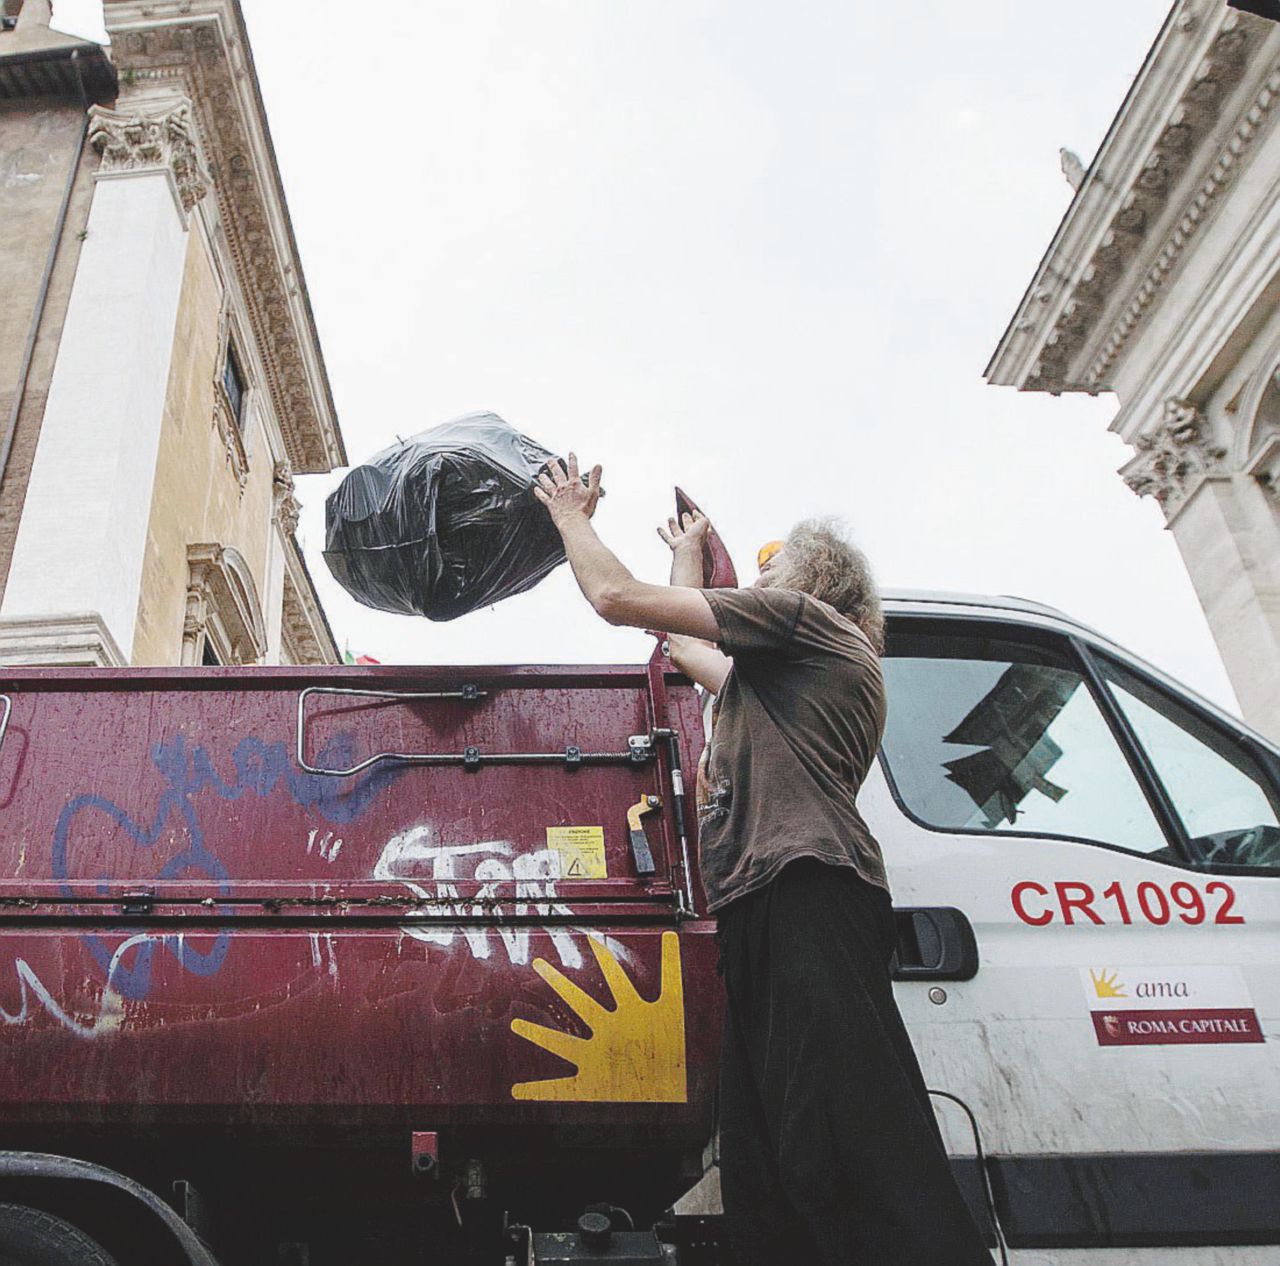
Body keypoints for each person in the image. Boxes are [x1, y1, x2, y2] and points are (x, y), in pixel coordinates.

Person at [534, 455, 992, 1266]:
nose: (759, 581)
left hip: (808, 891)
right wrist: (688, 547)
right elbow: (678, 642)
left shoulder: (808, 626)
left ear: (813, 579)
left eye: (774, 570)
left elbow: (614, 600)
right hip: (763, 905)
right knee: (771, 1158)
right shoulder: (779, 680)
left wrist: (571, 515)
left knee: (850, 1141)